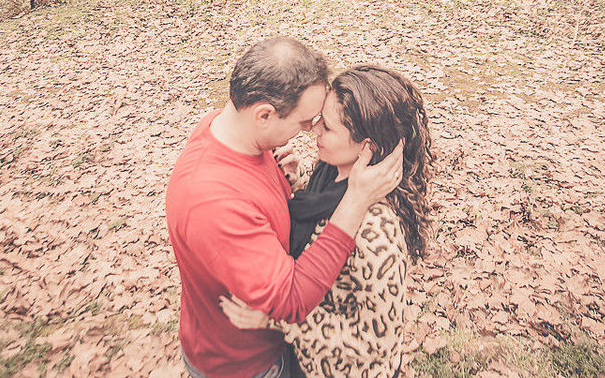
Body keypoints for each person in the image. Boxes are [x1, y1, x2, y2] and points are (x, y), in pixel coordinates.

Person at [166, 39, 404, 378]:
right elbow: (291, 299)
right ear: (263, 115)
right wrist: (354, 200)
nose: (310, 129)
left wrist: (288, 182)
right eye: (305, 120)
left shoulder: (233, 133)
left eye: (321, 122)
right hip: (246, 364)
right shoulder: (213, 202)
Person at [221, 65, 433, 378]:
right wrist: (296, 182)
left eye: (329, 128)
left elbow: (375, 345)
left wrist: (277, 320)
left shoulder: (376, 231)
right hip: (306, 360)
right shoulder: (330, 170)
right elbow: (320, 219)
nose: (315, 130)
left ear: (367, 147)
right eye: (320, 118)